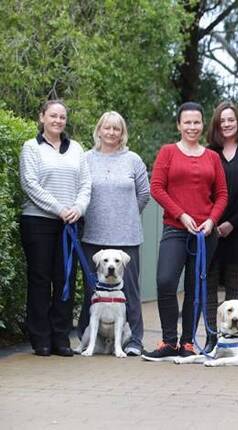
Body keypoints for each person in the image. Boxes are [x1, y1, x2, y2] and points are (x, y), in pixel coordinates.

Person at [143, 102, 228, 361]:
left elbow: (222, 194)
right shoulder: (168, 152)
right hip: (176, 228)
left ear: (203, 125)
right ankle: (169, 341)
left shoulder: (213, 157)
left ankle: (188, 343)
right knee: (166, 281)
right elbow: (156, 188)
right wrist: (181, 213)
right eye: (187, 122)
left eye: (196, 122)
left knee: (195, 288)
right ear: (179, 125)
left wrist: (212, 220)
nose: (192, 127)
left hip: (205, 234)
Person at [19, 99, 92, 357]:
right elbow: (30, 184)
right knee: (40, 280)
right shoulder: (31, 148)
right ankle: (40, 338)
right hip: (38, 222)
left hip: (70, 224)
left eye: (62, 117)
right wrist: (59, 208)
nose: (58, 121)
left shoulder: (77, 149)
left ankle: (61, 336)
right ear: (42, 118)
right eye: (53, 116)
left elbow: (85, 184)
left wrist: (78, 208)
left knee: (66, 279)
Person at [78, 111, 150, 356]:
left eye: (116, 129)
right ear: (99, 130)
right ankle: (89, 340)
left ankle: (134, 341)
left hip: (126, 237)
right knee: (92, 292)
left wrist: (126, 215)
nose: (111, 133)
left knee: (129, 291)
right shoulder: (86, 159)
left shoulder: (133, 160)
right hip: (93, 235)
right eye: (107, 128)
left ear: (122, 133)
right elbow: (81, 192)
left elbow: (144, 195)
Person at [202, 102, 238, 353]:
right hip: (210, 228)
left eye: (231, 120)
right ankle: (212, 337)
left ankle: (236, 340)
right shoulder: (207, 153)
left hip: (237, 229)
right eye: (222, 120)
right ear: (216, 124)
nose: (226, 124)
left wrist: (232, 223)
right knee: (209, 285)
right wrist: (214, 222)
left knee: (234, 286)